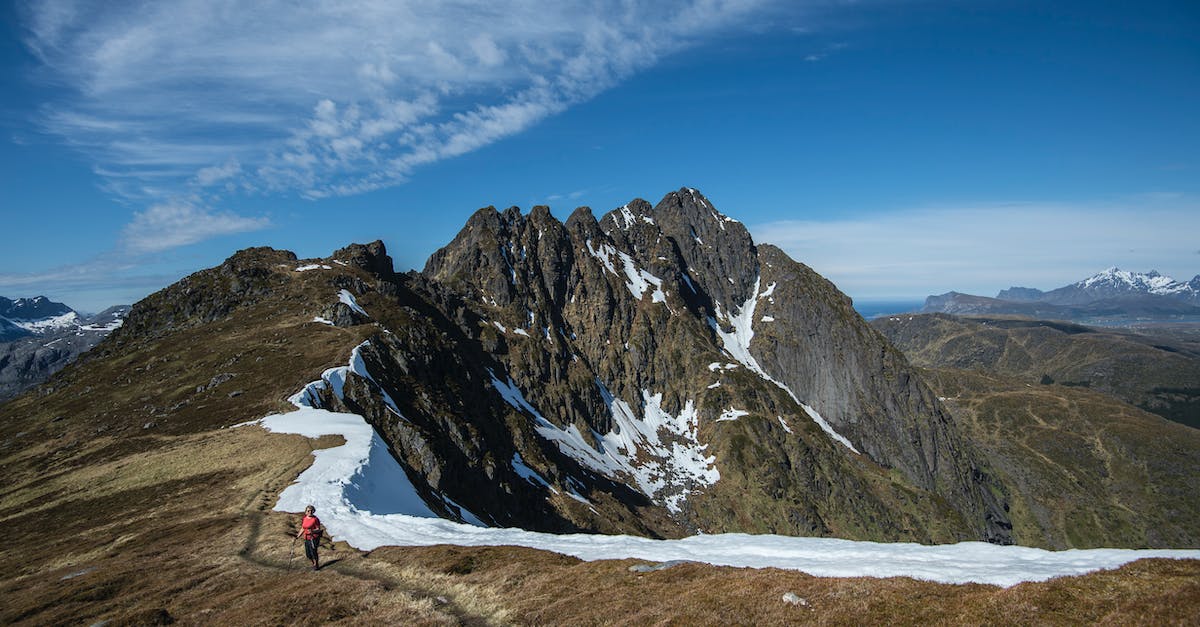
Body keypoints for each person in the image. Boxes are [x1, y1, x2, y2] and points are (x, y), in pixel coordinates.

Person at [296, 505, 326, 571]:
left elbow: (318, 529)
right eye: (308, 510)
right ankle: (313, 563)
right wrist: (298, 536)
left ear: (313, 511)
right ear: (306, 511)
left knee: (313, 552)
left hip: (313, 538)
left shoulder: (315, 519)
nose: (310, 512)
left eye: (311, 510)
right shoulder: (305, 518)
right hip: (306, 538)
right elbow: (303, 528)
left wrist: (312, 531)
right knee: (308, 554)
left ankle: (316, 565)